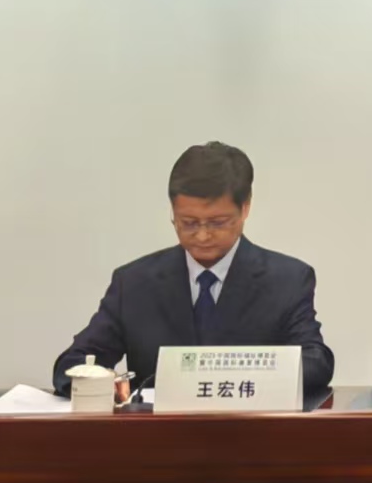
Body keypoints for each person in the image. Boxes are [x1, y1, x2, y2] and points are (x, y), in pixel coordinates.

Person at [53, 142, 333, 395]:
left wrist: (234, 378)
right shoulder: (135, 283)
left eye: (217, 223)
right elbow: (72, 365)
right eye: (188, 223)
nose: (202, 235)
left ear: (245, 208)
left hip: (250, 431)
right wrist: (107, 383)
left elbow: (315, 362)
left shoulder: (287, 280)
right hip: (159, 433)